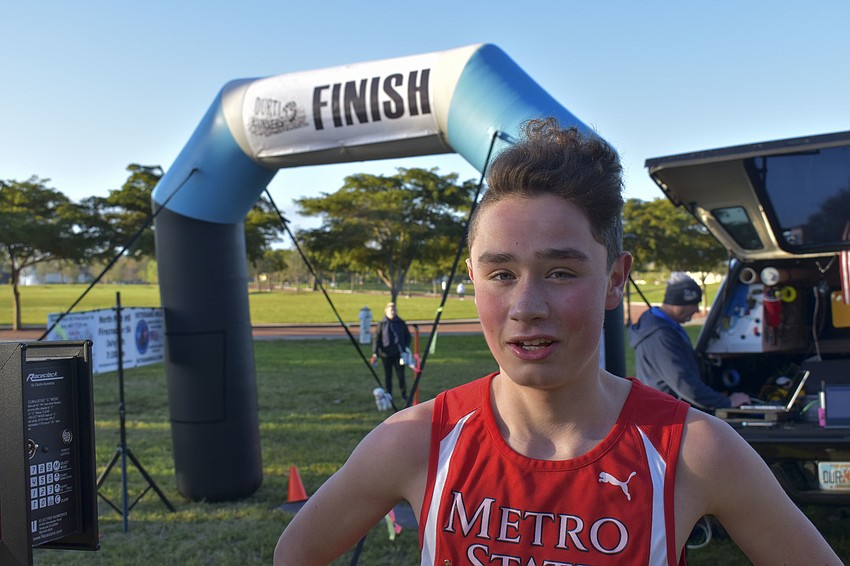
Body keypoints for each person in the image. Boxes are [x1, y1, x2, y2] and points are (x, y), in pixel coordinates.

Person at [275, 119, 840, 565]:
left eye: (562, 273)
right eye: (501, 275)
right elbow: (296, 552)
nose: (526, 306)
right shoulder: (417, 441)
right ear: (474, 279)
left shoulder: (692, 452)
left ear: (616, 279)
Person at [630, 272, 751, 410]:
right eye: (694, 304)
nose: (697, 310)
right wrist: (726, 402)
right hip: (668, 415)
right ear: (680, 303)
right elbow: (684, 383)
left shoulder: (662, 324)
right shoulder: (660, 335)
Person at [372, 302, 412, 400]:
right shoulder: (382, 324)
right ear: (386, 311)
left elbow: (408, 336)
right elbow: (376, 338)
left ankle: (404, 394)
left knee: (401, 376)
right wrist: (375, 352)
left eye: (394, 310)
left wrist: (406, 347)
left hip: (399, 354)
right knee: (388, 376)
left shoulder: (401, 323)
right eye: (391, 310)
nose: (393, 312)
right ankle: (389, 395)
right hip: (386, 355)